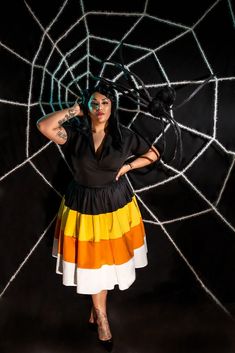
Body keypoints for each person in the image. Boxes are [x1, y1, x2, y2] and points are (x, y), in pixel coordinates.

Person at [37, 83, 160, 351]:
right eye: (94, 103)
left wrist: (127, 166)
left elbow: (153, 154)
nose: (100, 108)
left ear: (112, 105)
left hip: (115, 205)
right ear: (87, 106)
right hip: (82, 205)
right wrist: (74, 111)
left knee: (104, 264)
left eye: (105, 102)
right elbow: (44, 126)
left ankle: (98, 314)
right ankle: (101, 318)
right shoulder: (75, 135)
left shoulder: (124, 136)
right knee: (93, 264)